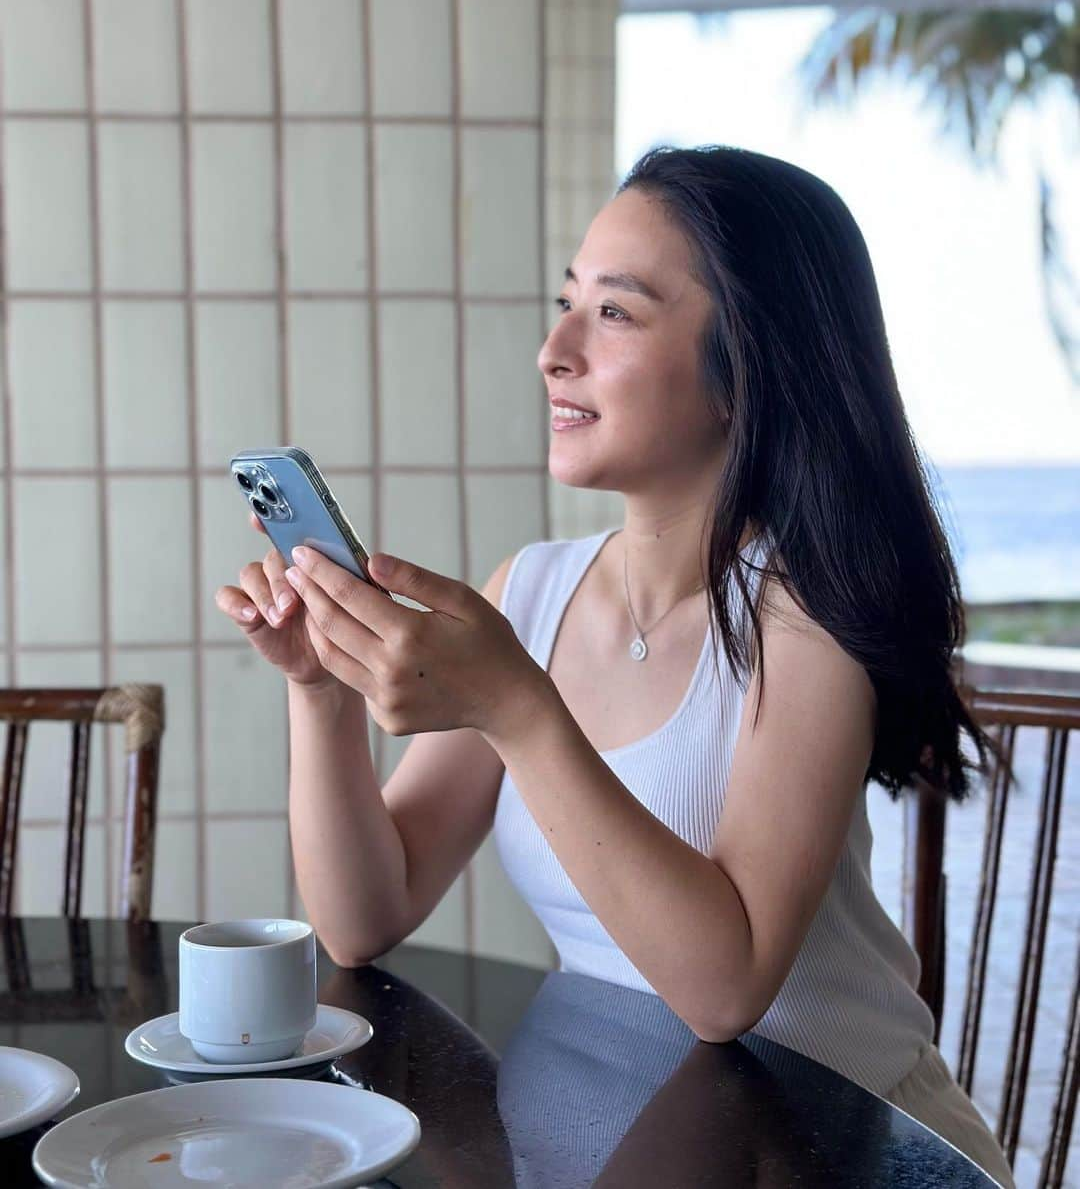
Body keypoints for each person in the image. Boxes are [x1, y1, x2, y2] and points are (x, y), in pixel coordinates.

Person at [216, 145, 1014, 1187]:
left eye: (617, 313)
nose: (554, 351)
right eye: (566, 304)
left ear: (747, 368)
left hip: (844, 1146)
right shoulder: (534, 593)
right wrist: (319, 689)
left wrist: (519, 708)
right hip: (652, 1134)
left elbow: (726, 989)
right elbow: (364, 918)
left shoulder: (807, 620)